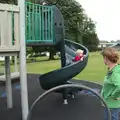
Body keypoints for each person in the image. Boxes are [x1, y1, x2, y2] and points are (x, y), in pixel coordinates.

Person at [101, 47, 120, 120]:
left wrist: (114, 96)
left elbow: (119, 86)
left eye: (103, 58)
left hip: (112, 104)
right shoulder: (112, 69)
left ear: (106, 58)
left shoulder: (115, 72)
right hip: (108, 103)